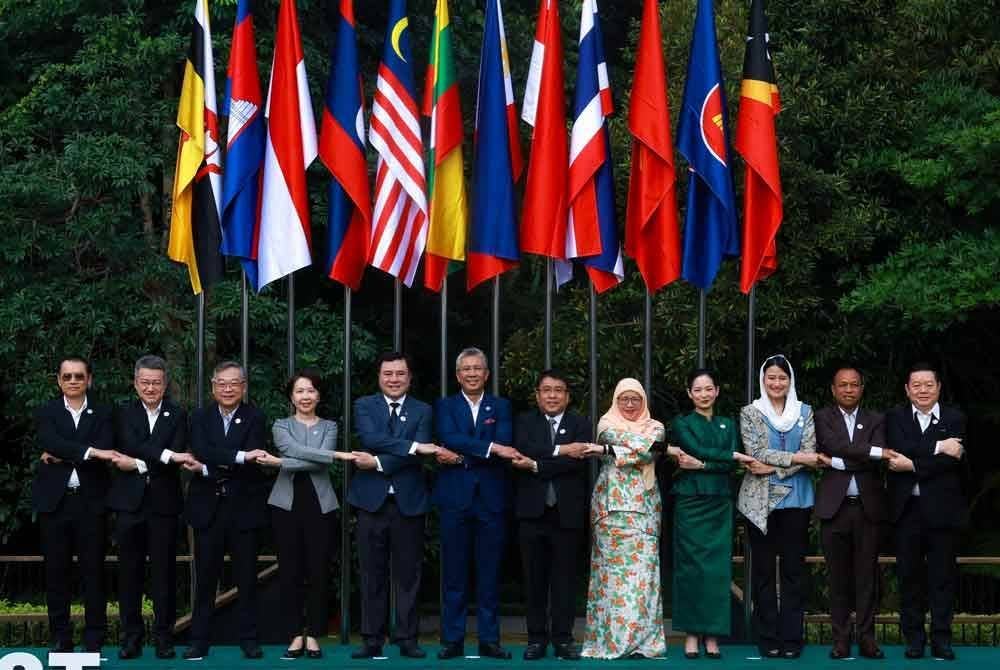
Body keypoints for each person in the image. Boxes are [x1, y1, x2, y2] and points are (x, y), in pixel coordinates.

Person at [349, 352, 451, 659]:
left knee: (409, 574)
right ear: (379, 377)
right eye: (388, 374)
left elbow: (410, 454)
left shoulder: (423, 410)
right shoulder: (364, 405)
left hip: (409, 501)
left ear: (410, 378)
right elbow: (371, 437)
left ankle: (407, 637)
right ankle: (372, 638)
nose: (394, 379)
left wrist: (378, 461)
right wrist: (413, 447)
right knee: (371, 573)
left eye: (400, 374)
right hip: (370, 501)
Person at [738, 354, 827, 659]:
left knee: (794, 571)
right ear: (763, 380)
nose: (777, 383)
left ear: (791, 381)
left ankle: (792, 638)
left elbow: (811, 453)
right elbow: (756, 451)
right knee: (762, 572)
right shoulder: (750, 412)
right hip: (759, 503)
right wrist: (797, 460)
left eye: (782, 378)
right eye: (771, 377)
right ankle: (768, 638)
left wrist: (776, 467)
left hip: (797, 501)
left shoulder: (804, 411)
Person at [261, 370, 354, 659]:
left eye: (311, 391)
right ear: (292, 396)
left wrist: (282, 463)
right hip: (285, 506)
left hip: (321, 505)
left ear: (319, 395)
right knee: (289, 571)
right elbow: (295, 450)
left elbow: (314, 465)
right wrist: (335, 455)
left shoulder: (329, 426)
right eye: (300, 391)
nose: (305, 396)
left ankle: (313, 634)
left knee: (318, 571)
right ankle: (293, 635)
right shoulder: (280, 424)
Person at [183, 361, 271, 660]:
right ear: (213, 386)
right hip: (208, 508)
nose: (228, 388)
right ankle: (199, 641)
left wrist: (213, 463)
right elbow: (201, 449)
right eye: (222, 383)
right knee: (205, 578)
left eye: (234, 383)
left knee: (246, 578)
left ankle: (249, 639)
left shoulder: (255, 417)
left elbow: (254, 455)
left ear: (244, 386)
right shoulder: (199, 417)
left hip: (244, 508)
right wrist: (240, 457)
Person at [107, 355, 194, 659]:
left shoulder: (178, 414)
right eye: (145, 382)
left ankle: (164, 637)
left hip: (164, 505)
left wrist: (140, 464)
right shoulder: (122, 413)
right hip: (128, 506)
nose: (150, 387)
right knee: (129, 574)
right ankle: (131, 637)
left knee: (164, 574)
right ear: (135, 383)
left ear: (165, 384)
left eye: (156, 382)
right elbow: (129, 445)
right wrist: (165, 457)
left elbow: (177, 452)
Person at [433, 347, 516, 660]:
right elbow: (449, 436)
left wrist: (471, 452)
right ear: (457, 375)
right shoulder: (445, 405)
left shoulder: (502, 406)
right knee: (454, 574)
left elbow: (505, 439)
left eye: (477, 368)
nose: (471, 373)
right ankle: (452, 640)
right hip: (455, 498)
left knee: (489, 574)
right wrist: (491, 447)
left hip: (491, 499)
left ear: (486, 374)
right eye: (465, 369)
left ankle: (489, 640)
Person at [32, 356, 118, 653]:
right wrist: (92, 452)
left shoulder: (104, 413)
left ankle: (94, 637)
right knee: (56, 573)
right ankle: (61, 637)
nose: (72, 381)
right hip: (55, 505)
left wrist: (62, 453)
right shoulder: (47, 411)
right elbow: (49, 441)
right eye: (66, 377)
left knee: (93, 572)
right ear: (59, 381)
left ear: (89, 380)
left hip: (90, 503)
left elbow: (105, 446)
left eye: (78, 376)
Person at [509, 370, 592, 661]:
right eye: (547, 390)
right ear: (537, 395)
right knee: (533, 580)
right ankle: (535, 639)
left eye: (558, 390)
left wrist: (535, 465)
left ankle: (563, 639)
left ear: (567, 396)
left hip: (567, 514)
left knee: (565, 580)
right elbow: (523, 449)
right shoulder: (524, 422)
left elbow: (574, 464)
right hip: (531, 513)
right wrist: (560, 450)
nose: (552, 395)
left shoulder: (581, 424)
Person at [581, 378, 667, 659]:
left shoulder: (656, 427)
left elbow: (655, 447)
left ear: (644, 402)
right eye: (623, 399)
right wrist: (644, 450)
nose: (629, 405)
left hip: (645, 509)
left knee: (644, 578)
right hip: (610, 510)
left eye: (636, 399)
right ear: (615, 402)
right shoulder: (605, 425)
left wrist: (608, 452)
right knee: (611, 578)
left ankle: (644, 644)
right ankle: (610, 643)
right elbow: (646, 450)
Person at [885, 362, 966, 660]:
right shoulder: (894, 417)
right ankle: (914, 640)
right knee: (909, 577)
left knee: (942, 577)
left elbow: (952, 460)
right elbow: (898, 449)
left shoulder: (955, 417)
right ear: (907, 390)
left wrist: (914, 464)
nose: (922, 390)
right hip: (907, 511)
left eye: (928, 384)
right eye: (916, 385)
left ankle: (942, 640)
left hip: (943, 511)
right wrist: (937, 447)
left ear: (938, 387)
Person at [671, 369, 753, 659]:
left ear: (717, 391)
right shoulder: (681, 423)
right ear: (689, 393)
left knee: (718, 571)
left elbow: (722, 464)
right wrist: (728, 457)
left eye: (709, 389)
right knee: (692, 568)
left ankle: (713, 637)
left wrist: (705, 465)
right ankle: (692, 635)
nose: (704, 394)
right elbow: (695, 449)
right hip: (691, 501)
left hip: (719, 502)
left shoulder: (727, 424)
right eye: (698, 389)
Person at [814, 366, 890, 660]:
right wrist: (871, 453)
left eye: (854, 385)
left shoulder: (876, 419)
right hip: (835, 510)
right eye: (842, 385)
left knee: (867, 578)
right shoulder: (822, 417)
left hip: (868, 509)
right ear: (833, 389)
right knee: (838, 579)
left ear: (861, 388)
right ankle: (841, 640)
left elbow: (874, 456)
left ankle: (867, 639)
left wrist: (835, 463)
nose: (848, 390)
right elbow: (833, 445)